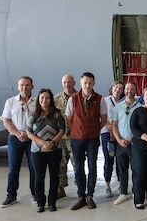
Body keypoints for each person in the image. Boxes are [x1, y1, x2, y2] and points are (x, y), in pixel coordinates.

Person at [66, 72, 107, 210]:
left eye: (90, 83)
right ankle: (81, 196)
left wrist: (95, 130)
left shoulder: (100, 99)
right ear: (80, 83)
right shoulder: (73, 99)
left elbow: (104, 119)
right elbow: (69, 118)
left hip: (92, 139)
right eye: (85, 83)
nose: (87, 85)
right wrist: (75, 131)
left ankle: (90, 195)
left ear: (94, 84)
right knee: (78, 168)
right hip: (76, 139)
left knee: (92, 167)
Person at [0, 76, 37, 208]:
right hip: (15, 139)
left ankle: (35, 194)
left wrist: (29, 134)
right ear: (18, 87)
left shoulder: (38, 101)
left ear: (32, 86)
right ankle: (11, 195)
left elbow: (41, 120)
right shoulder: (10, 102)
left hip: (32, 139)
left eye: (27, 85)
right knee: (13, 168)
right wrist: (18, 133)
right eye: (21, 85)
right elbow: (6, 121)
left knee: (34, 168)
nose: (24, 88)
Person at [26, 88, 65, 212]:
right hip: (38, 151)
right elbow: (29, 133)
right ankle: (40, 203)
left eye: (47, 98)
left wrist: (52, 143)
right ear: (39, 99)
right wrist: (43, 143)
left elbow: (62, 130)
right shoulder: (32, 115)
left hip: (55, 149)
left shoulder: (57, 114)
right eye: (42, 98)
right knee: (39, 177)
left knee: (54, 176)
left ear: (51, 99)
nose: (44, 100)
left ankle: (52, 202)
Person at [110, 82, 141, 205]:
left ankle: (135, 192)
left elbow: (141, 127)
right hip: (120, 144)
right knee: (122, 170)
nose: (129, 91)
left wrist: (131, 138)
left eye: (132, 89)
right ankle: (123, 193)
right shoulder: (118, 107)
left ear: (135, 91)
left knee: (135, 169)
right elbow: (114, 125)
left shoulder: (139, 107)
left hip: (134, 144)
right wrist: (119, 140)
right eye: (127, 89)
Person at [53, 74, 76, 199]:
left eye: (69, 82)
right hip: (61, 137)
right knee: (60, 163)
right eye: (65, 82)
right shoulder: (56, 99)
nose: (67, 85)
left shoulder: (79, 97)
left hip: (75, 136)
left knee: (77, 163)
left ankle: (81, 189)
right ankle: (60, 189)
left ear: (74, 83)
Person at [102, 81, 124, 198]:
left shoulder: (123, 102)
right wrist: (109, 127)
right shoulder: (105, 101)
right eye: (116, 87)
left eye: (120, 88)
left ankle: (121, 184)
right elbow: (101, 115)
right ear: (112, 88)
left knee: (120, 160)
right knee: (109, 158)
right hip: (108, 134)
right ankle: (107, 185)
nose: (118, 90)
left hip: (119, 134)